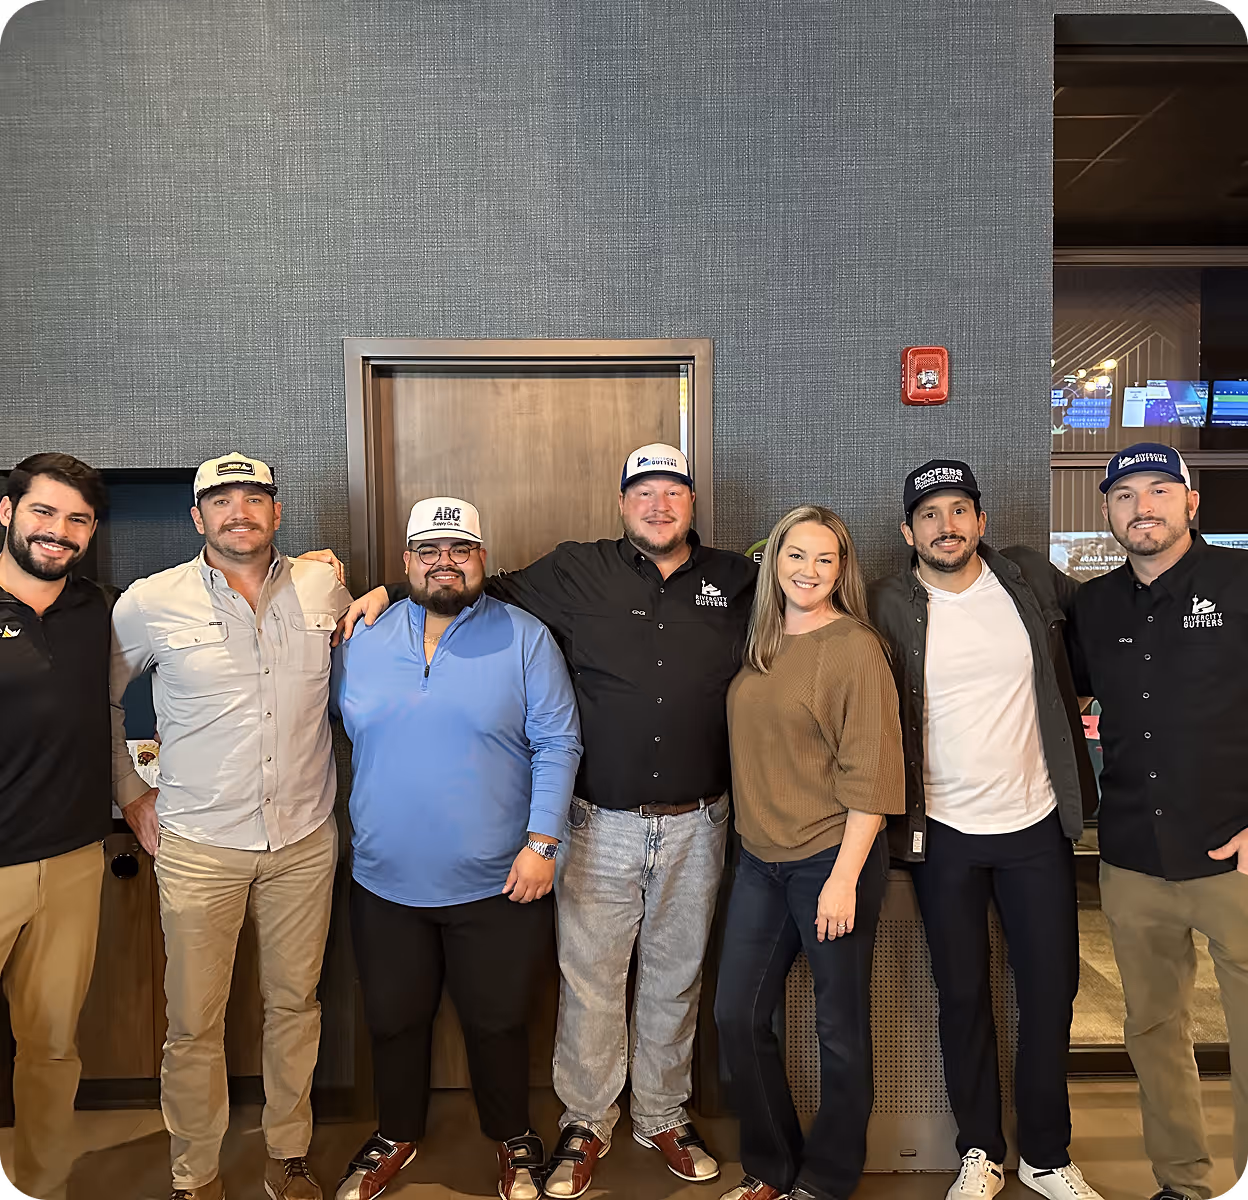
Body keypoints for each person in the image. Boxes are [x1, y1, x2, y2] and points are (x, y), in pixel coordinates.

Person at [338, 444, 757, 1196]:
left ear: (692, 501)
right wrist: (374, 593)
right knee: (590, 982)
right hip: (601, 820)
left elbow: (799, 622)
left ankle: (663, 1113)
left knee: (676, 977)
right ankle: (587, 1121)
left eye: (672, 492)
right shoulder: (571, 570)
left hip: (699, 820)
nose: (657, 506)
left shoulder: (740, 580)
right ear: (621, 501)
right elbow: (459, 589)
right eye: (643, 492)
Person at [110, 453, 353, 1200]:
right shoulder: (149, 602)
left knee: (295, 1006)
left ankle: (288, 1154)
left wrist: (362, 585)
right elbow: (100, 699)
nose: (238, 511)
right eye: (221, 500)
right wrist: (130, 792)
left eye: (254, 498)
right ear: (197, 518)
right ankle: (196, 1173)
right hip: (198, 845)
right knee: (193, 1024)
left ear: (277, 512)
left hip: (304, 841)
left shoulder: (322, 585)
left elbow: (369, 630)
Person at [329, 497, 582, 1200]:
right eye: (429, 550)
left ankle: (512, 1137)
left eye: (460, 549)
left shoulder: (526, 637)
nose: (445, 562)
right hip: (383, 880)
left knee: (499, 1021)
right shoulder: (362, 637)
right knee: (392, 1019)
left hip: (500, 882)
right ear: (406, 562)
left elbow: (559, 742)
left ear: (480, 559)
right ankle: (396, 1133)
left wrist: (542, 842)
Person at [868, 459, 1103, 1200]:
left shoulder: (1030, 581)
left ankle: (1046, 1153)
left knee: (1049, 991)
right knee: (963, 994)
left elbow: (1111, 636)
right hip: (943, 833)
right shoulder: (887, 603)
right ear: (909, 531)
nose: (947, 525)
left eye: (960, 509)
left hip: (1036, 822)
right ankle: (981, 1150)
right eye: (930, 514)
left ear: (981, 520)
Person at [1069, 443, 1248, 1200]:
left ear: (1190, 502)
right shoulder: (1094, 605)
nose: (1142, 507)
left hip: (1234, 855)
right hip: (1134, 855)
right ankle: (1182, 1182)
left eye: (1159, 491)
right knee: (1153, 1031)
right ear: (1107, 510)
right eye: (1124, 496)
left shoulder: (1241, 584)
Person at [713, 505, 904, 1200]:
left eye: (826, 559)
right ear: (774, 561)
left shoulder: (854, 647)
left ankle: (827, 1179)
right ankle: (771, 1166)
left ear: (842, 569)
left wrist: (844, 878)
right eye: (797, 555)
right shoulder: (758, 643)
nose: (810, 571)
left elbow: (875, 776)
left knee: (840, 1029)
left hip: (833, 858)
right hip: (759, 862)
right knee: (736, 1014)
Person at [0, 454, 111, 1200]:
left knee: (51, 1049)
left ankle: (43, 1186)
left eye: (77, 520)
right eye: (44, 512)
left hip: (72, 861)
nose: (59, 532)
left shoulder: (98, 608)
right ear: (6, 512)